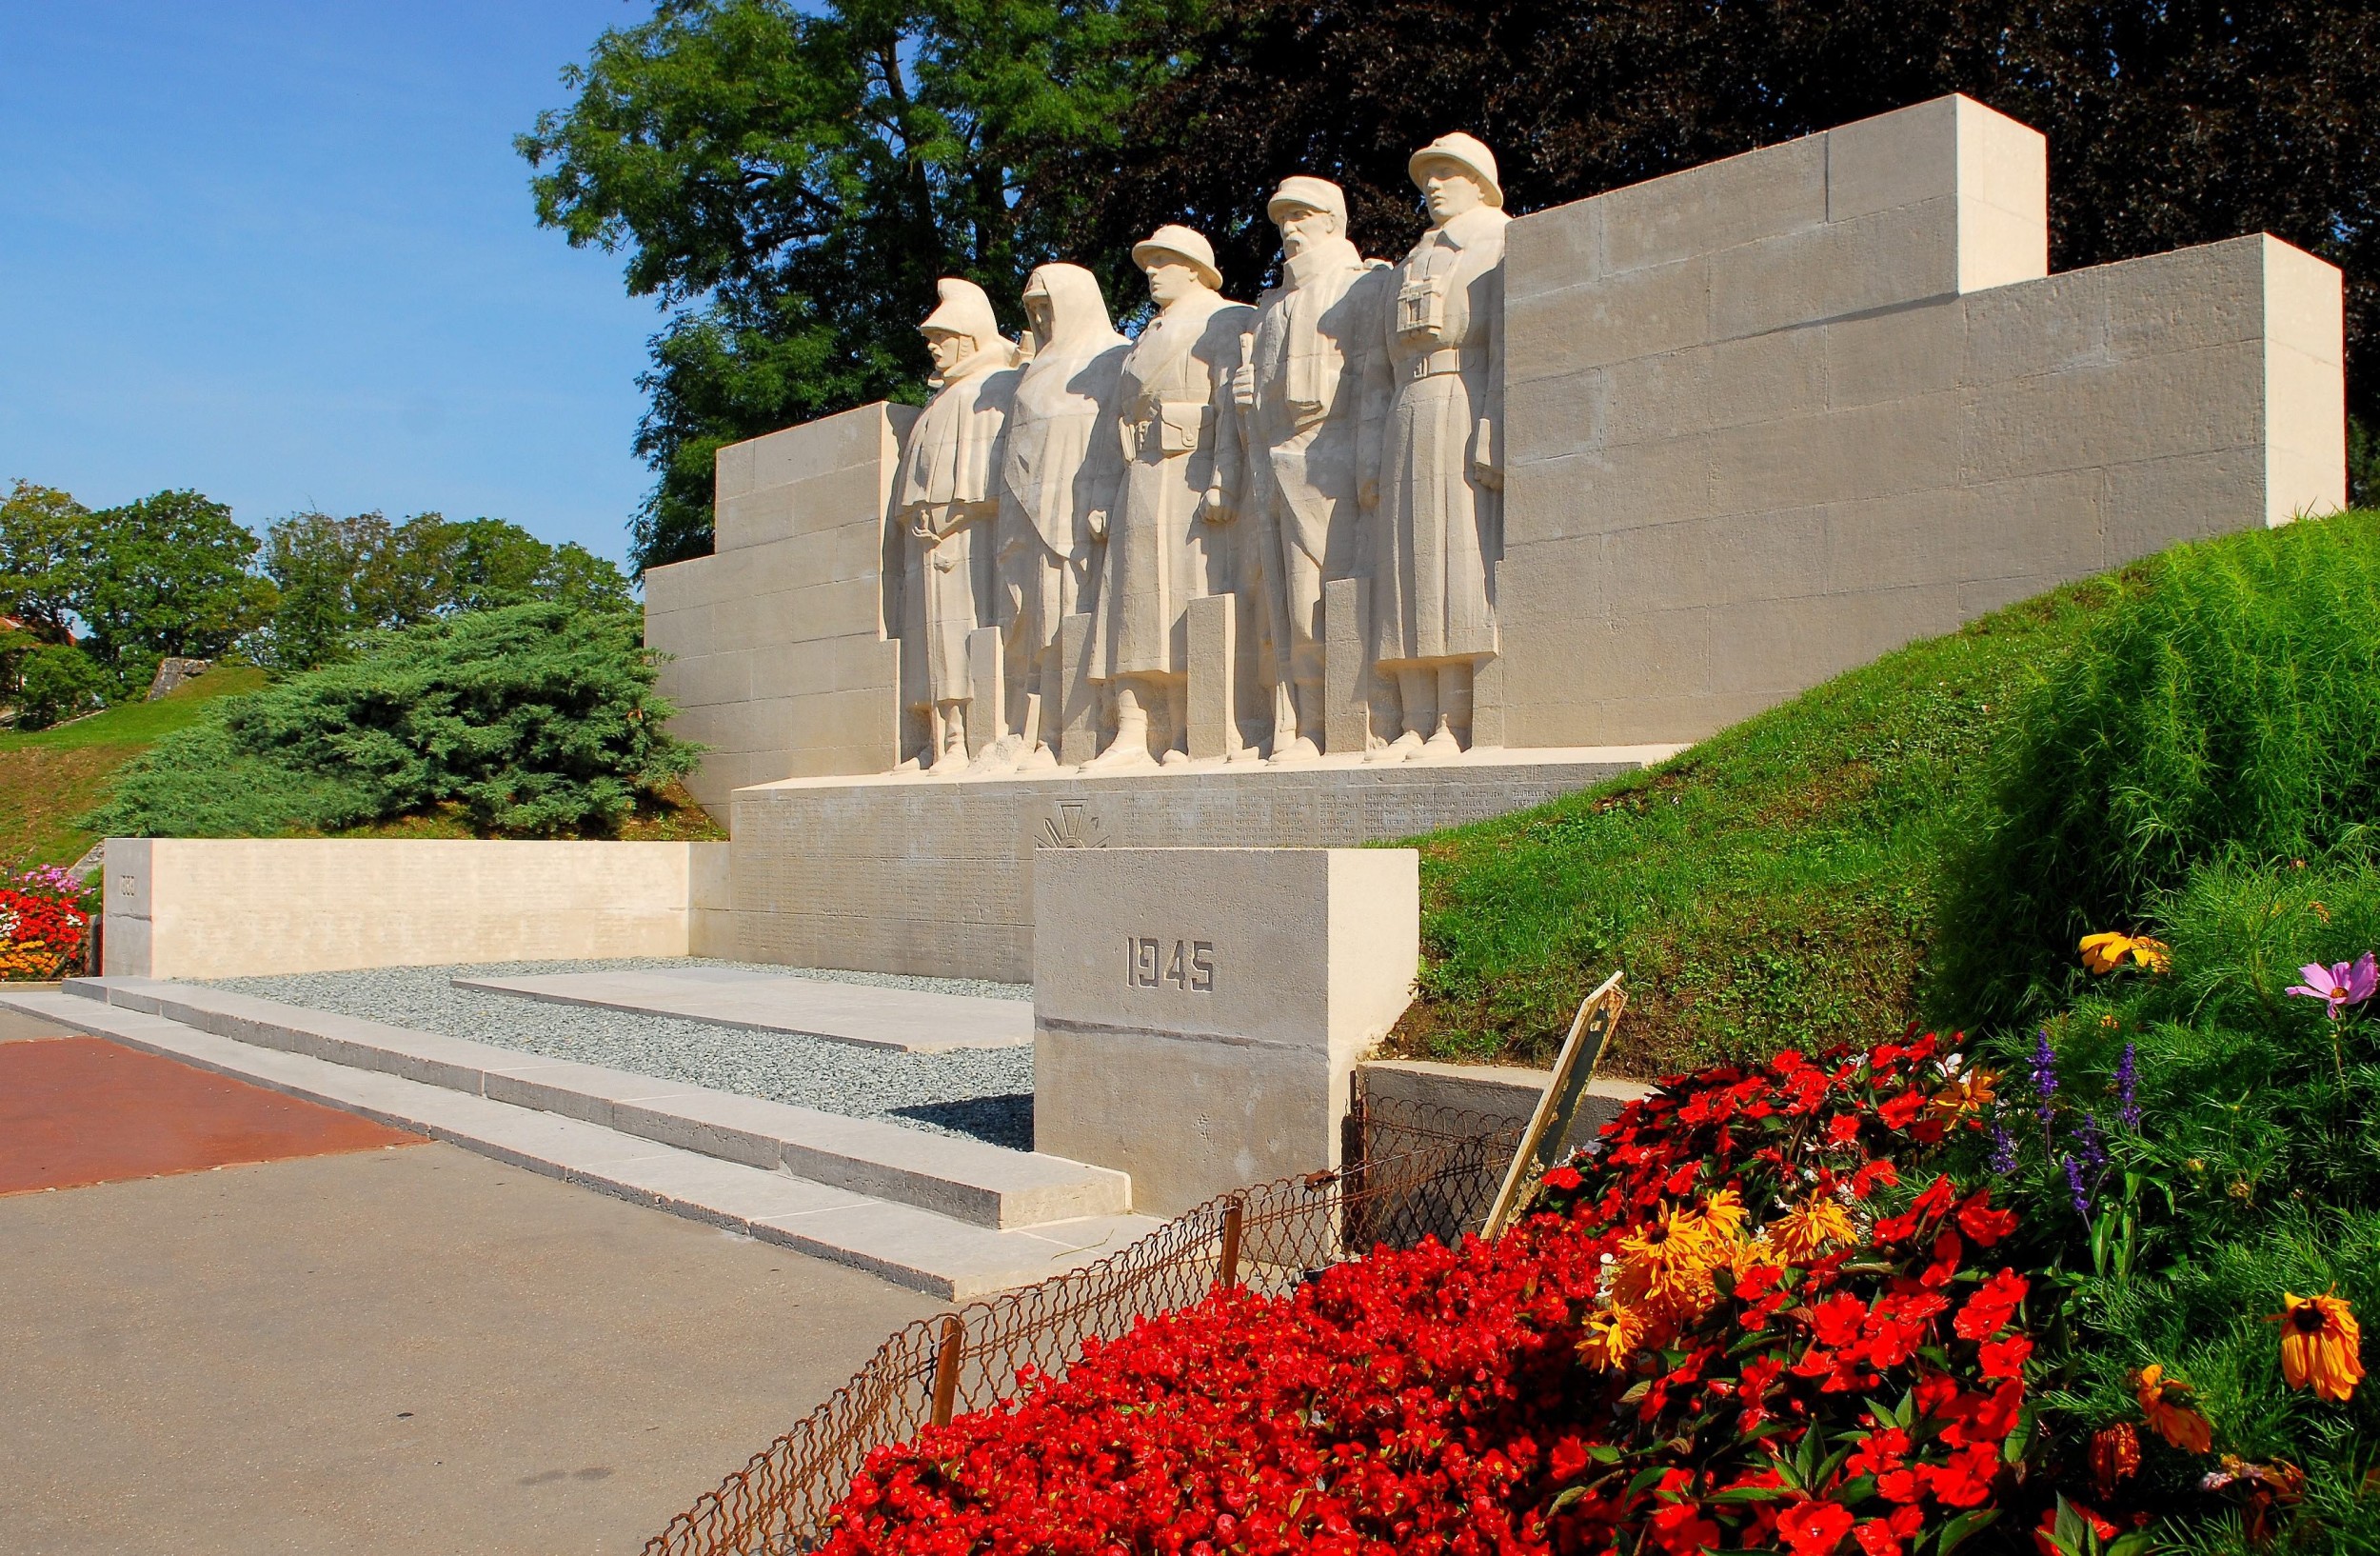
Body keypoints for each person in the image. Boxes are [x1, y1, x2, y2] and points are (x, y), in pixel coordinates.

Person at [1233, 175, 1393, 763]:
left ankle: (1362, 715)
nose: (1289, 230)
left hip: (1334, 459)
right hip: (1278, 463)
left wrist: (1370, 461)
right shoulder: (1272, 306)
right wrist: (1247, 396)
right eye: (1282, 221)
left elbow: (1374, 380)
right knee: (1290, 607)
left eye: (1301, 216)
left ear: (1332, 220)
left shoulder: (1362, 287)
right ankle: (1306, 719)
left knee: (1339, 594)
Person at [1084, 226, 1255, 768]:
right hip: (1141, 477)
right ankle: (1135, 726)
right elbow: (1114, 424)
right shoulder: (1143, 339)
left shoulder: (1227, 320)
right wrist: (1107, 493)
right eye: (1149, 263)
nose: (1152, 272)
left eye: (1163, 262)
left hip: (1191, 475)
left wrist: (1225, 477)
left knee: (1188, 600)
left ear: (1195, 268)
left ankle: (1190, 728)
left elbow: (1233, 407)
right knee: (1132, 604)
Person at [1371, 132, 1510, 760]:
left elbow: (1506, 341)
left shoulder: (1498, 242)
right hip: (1407, 407)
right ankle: (1415, 716)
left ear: (1480, 180)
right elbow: (1377, 367)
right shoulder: (1408, 262)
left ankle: (1455, 719)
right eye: (1427, 174)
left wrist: (1493, 422)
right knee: (1406, 565)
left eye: (1448, 172)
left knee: (1454, 559)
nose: (1433, 185)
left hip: (1459, 396)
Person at [990, 264, 1130, 771]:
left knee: (1067, 618)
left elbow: (1115, 436)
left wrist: (1102, 498)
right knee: (1028, 622)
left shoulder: (1112, 356)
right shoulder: (1036, 370)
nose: (1042, 318)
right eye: (1033, 310)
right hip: (1027, 520)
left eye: (1049, 306)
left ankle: (1070, 731)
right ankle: (1031, 730)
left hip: (1074, 518)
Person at [889, 277, 1019, 772]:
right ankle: (936, 738)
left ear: (968, 337)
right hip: (927, 541)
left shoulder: (994, 387)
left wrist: (953, 514)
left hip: (970, 539)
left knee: (965, 634)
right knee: (929, 640)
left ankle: (964, 737)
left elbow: (996, 479)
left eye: (942, 337)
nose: (933, 346)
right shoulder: (937, 402)